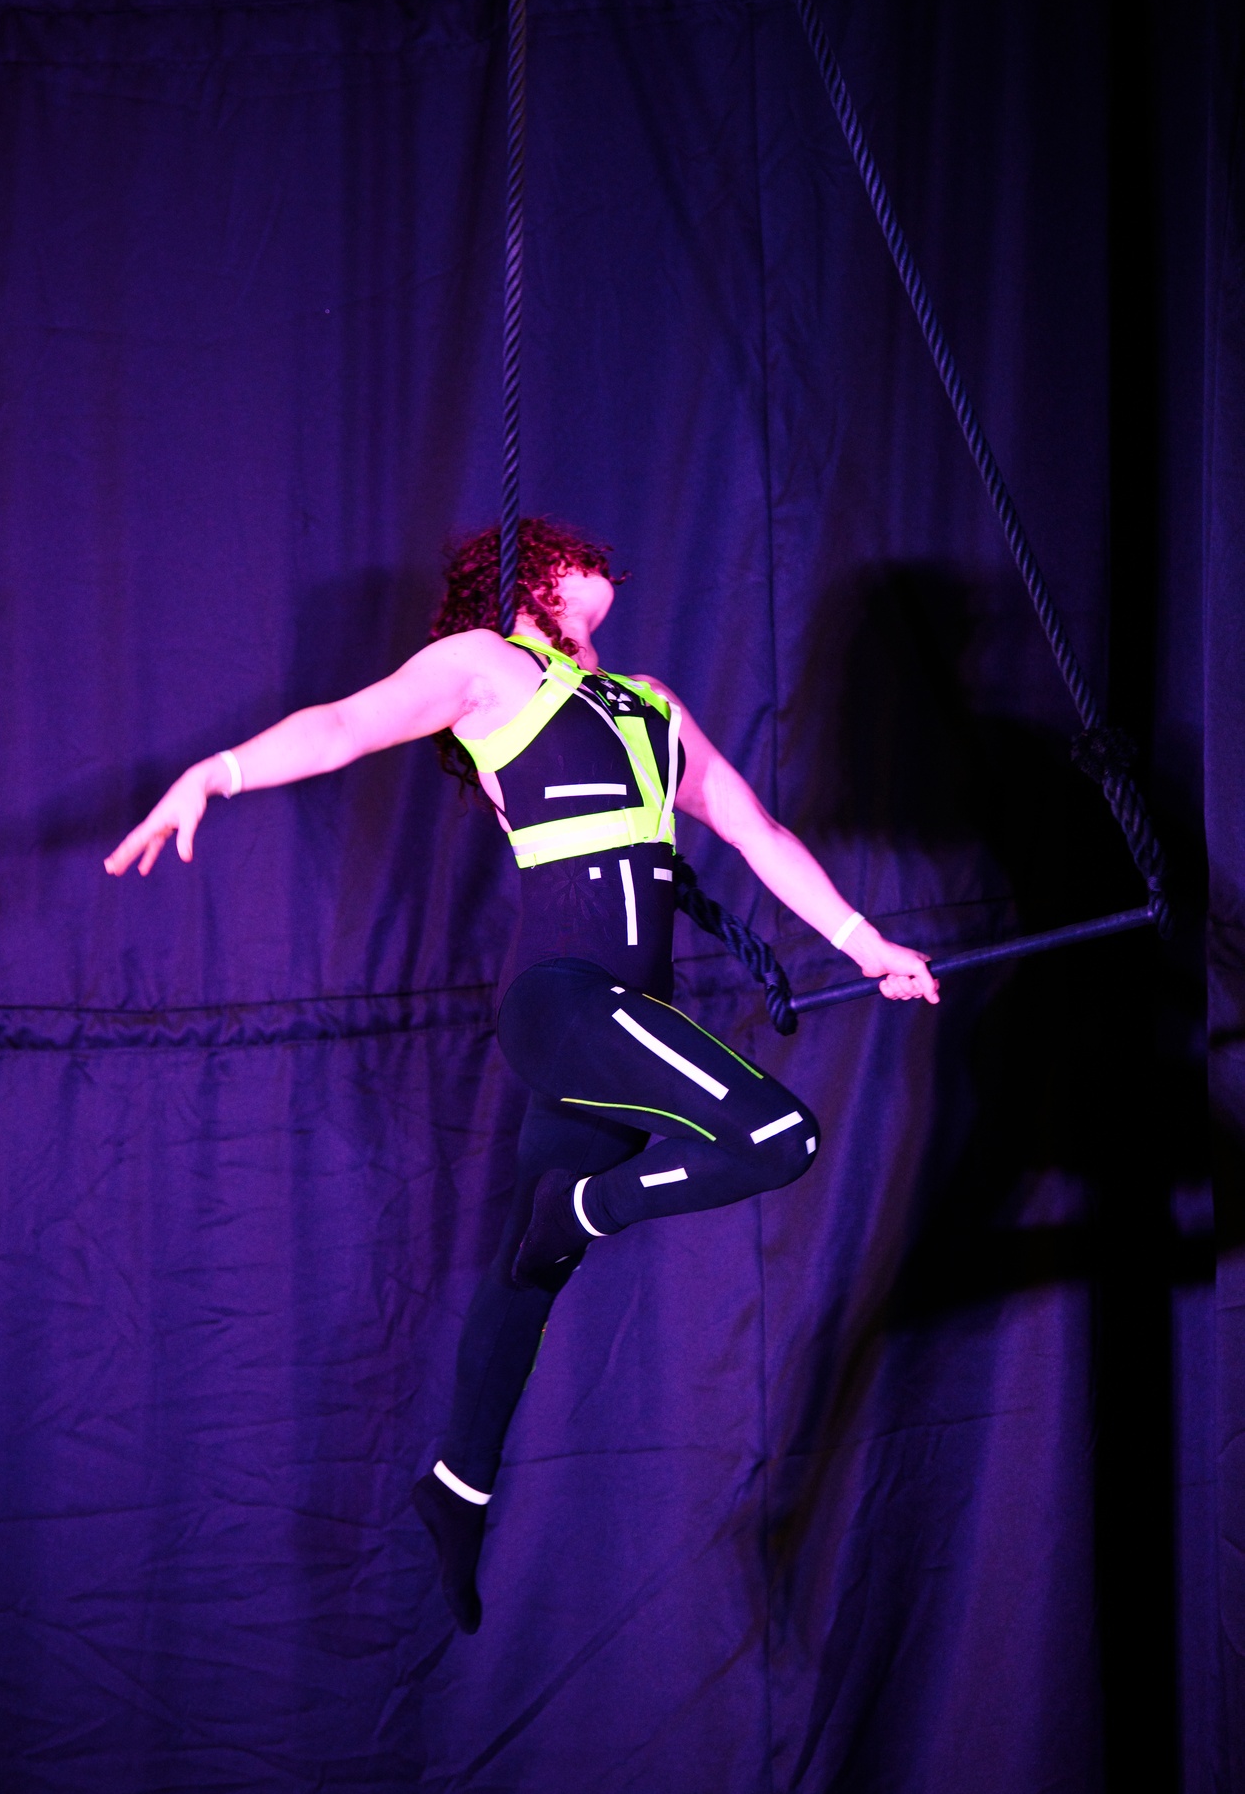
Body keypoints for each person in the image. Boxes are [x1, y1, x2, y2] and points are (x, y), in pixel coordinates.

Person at [105, 517, 938, 1633]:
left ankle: (456, 1486)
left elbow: (756, 832)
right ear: (536, 571)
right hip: (562, 1000)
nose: (607, 562)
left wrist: (864, 943)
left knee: (526, 1270)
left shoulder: (648, 701)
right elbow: (346, 725)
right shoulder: (487, 669)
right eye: (578, 553)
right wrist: (216, 775)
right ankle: (585, 1206)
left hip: (625, 1011)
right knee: (775, 1136)